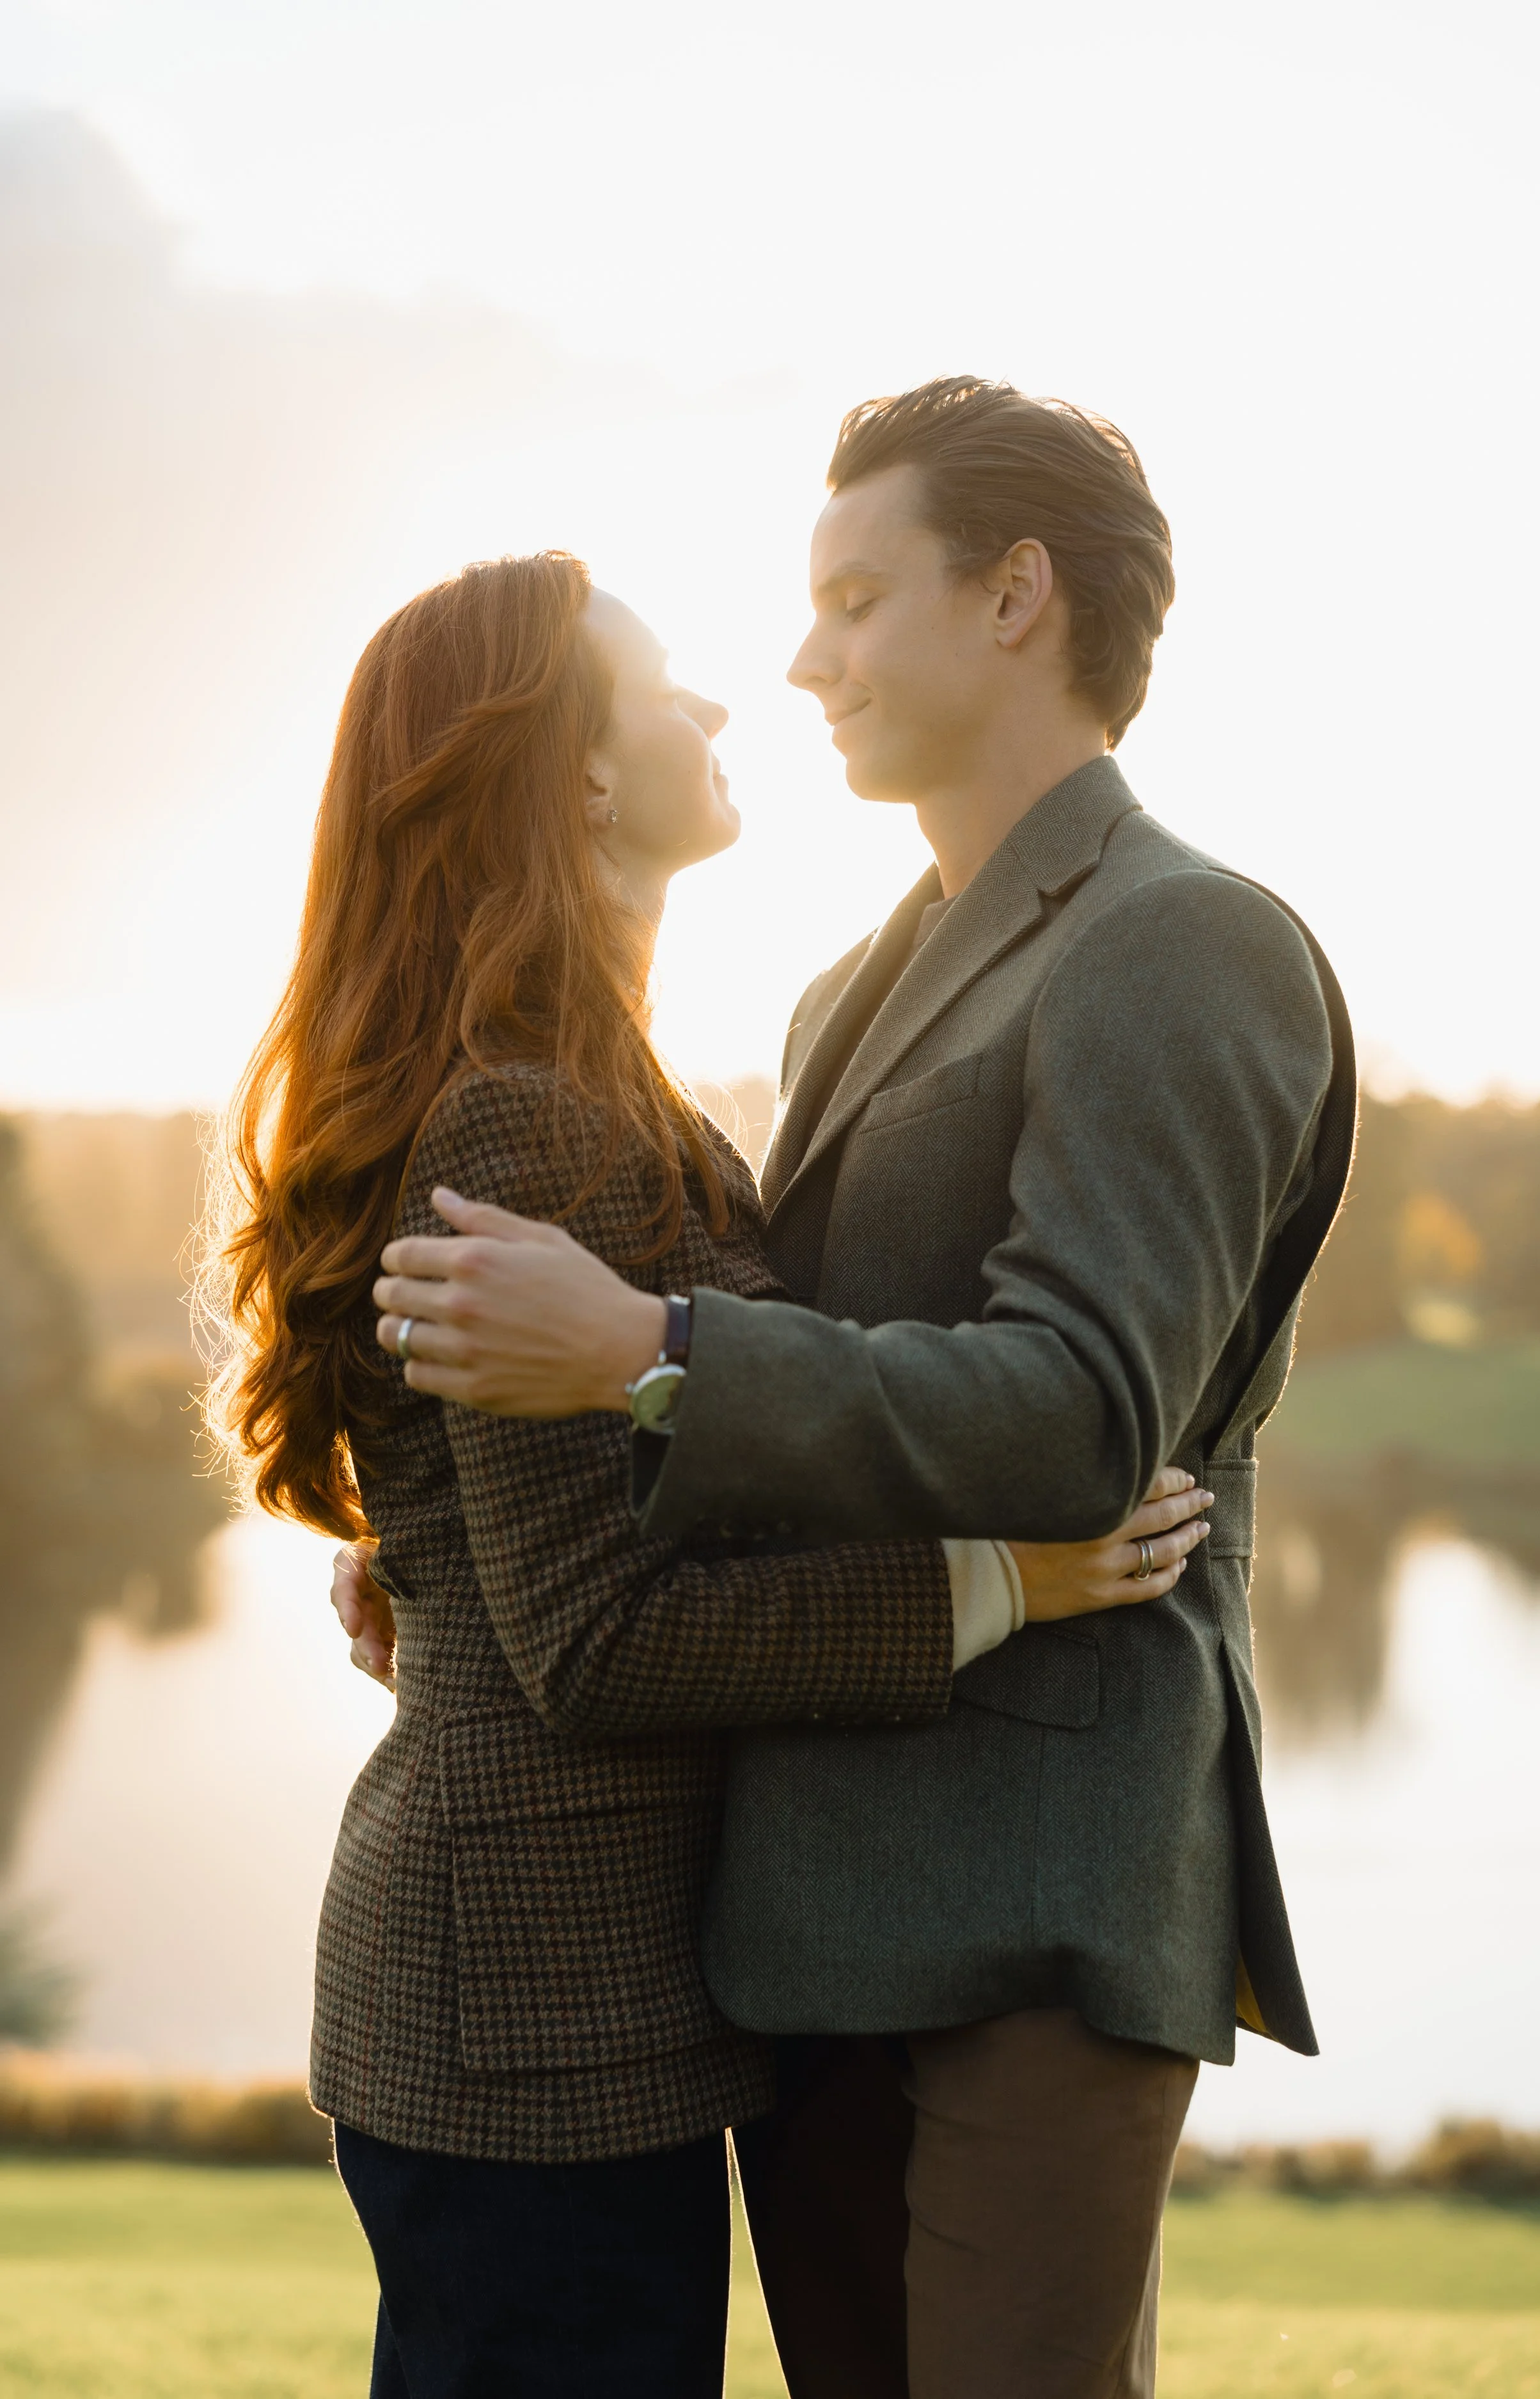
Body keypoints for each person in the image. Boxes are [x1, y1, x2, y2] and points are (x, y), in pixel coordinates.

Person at [361, 377, 1358, 2399]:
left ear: (1012, 597)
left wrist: (648, 1350)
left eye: (850, 598)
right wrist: (456, 1548)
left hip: (1033, 1886)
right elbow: (781, 1428)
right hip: (800, 1911)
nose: (802, 660)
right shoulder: (841, 990)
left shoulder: (1186, 941)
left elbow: (1087, 1415)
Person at [208, 544, 1209, 2398]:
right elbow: (601, 1643)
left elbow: (586, 1498)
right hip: (524, 2009)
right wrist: (1004, 1581)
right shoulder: (526, 1106)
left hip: (585, 1998)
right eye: (658, 684)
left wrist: (422, 1555)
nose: (721, 701)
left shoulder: (601, 1085)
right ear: (575, 775)